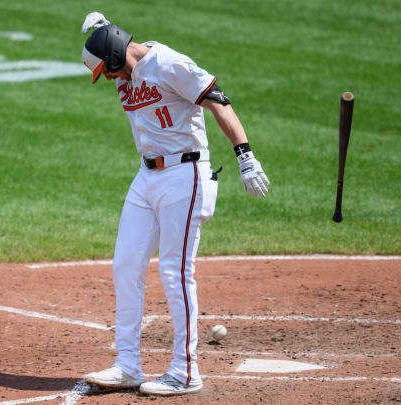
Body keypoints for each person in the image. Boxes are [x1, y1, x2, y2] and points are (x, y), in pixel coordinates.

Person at [79, 12, 269, 396]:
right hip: (146, 177)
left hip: (185, 174)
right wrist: (99, 27)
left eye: (108, 71)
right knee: (126, 264)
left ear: (117, 55)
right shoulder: (125, 71)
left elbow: (218, 100)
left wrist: (245, 155)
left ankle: (185, 371)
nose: (111, 79)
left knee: (175, 271)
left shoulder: (169, 64)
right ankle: (128, 365)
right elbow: (109, 39)